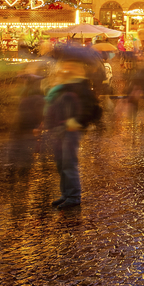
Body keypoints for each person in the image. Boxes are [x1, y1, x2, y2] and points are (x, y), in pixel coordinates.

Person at [44, 61, 96, 210]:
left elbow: (88, 108)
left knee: (68, 163)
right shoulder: (65, 85)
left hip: (70, 130)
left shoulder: (81, 87)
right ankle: (66, 194)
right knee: (61, 163)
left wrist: (77, 121)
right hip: (59, 128)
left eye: (70, 67)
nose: (67, 69)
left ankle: (73, 196)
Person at [8, 70, 45, 179]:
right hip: (23, 129)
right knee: (21, 154)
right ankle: (19, 176)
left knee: (19, 153)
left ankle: (16, 177)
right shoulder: (34, 95)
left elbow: (35, 112)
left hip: (24, 129)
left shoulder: (32, 95)